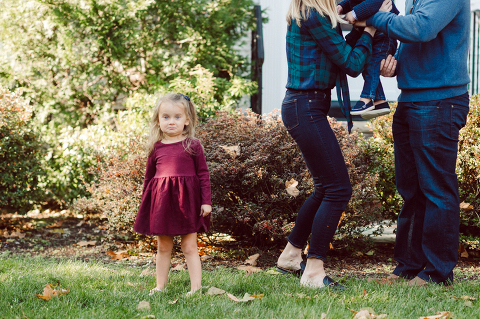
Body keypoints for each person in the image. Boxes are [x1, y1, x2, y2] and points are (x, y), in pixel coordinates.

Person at [275, 0, 388, 290]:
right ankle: (313, 271)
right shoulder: (313, 14)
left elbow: (341, 52)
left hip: (306, 106)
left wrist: (362, 30)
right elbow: (351, 64)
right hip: (306, 106)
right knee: (339, 189)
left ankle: (290, 255)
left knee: (327, 187)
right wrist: (371, 31)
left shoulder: (313, 15)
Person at [359, 0, 471, 286]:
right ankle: (409, 268)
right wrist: (396, 65)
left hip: (439, 101)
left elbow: (421, 29)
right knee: (412, 190)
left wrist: (375, 16)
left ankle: (436, 273)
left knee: (436, 189)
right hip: (412, 98)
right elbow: (417, 40)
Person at [133, 93, 212, 295]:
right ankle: (160, 287)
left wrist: (206, 202)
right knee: (163, 246)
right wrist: (146, 203)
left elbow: (203, 175)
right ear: (158, 121)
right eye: (166, 117)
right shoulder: (156, 148)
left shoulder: (193, 145)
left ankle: (196, 288)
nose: (171, 122)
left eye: (177, 117)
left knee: (189, 246)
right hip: (161, 204)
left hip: (187, 203)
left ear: (187, 120)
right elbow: (148, 179)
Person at [337, 0, 399, 119]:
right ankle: (380, 101)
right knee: (365, 62)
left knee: (372, 65)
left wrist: (354, 14)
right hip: (372, 34)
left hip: (383, 36)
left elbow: (375, 2)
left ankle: (366, 98)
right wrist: (340, 7)